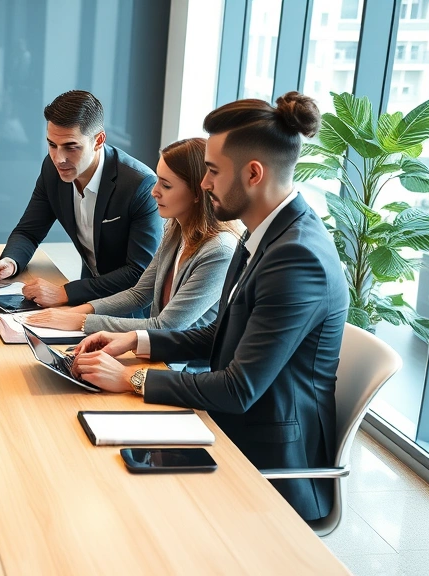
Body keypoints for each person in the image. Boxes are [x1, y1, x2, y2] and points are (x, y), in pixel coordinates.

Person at [71, 92, 348, 522]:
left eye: (214, 171)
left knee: (112, 502)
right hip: (224, 427)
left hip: (263, 466)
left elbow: (238, 389)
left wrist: (131, 378)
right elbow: (222, 333)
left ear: (253, 173)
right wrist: (136, 340)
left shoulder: (298, 258)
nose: (204, 183)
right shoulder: (263, 233)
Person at [26, 138, 237, 370]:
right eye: (158, 180)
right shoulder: (176, 229)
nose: (154, 192)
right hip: (157, 358)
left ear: (198, 192)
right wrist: (75, 312)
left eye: (166, 185)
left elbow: (165, 326)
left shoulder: (219, 251)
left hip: (185, 372)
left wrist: (81, 321)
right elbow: (139, 294)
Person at [0, 90, 163, 307]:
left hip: (131, 308)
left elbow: (139, 272)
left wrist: (65, 293)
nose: (59, 159)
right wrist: (11, 262)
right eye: (52, 145)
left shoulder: (140, 185)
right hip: (86, 295)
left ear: (99, 140)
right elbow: (29, 232)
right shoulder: (52, 170)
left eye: (71, 147)